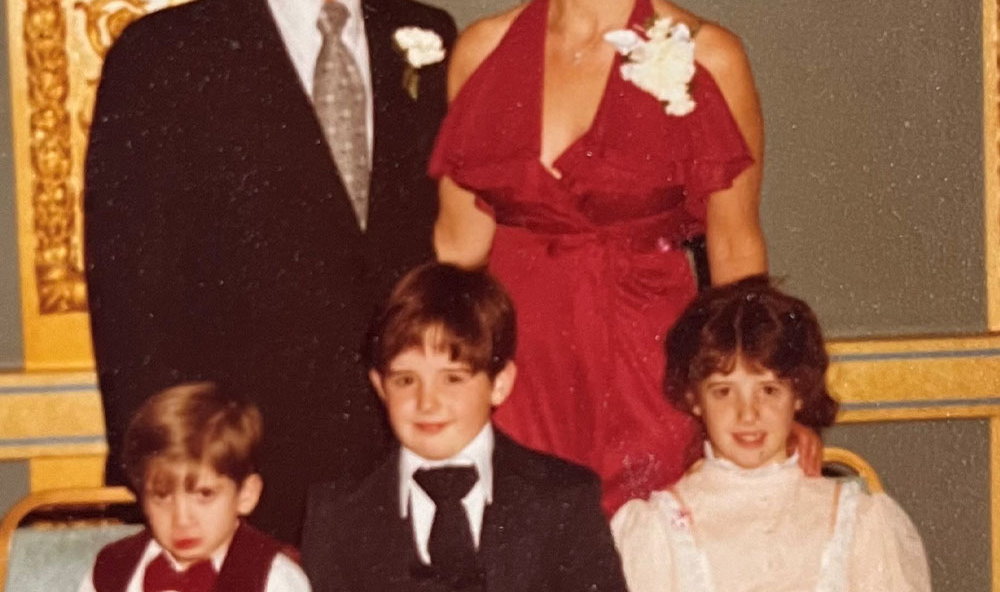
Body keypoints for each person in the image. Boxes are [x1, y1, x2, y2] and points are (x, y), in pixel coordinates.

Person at [84, 0, 456, 543]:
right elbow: (132, 294)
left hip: (408, 459)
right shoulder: (165, 57)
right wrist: (179, 474)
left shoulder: (430, 36)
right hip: (241, 469)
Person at [430, 0, 770, 513]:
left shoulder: (710, 58)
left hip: (654, 368)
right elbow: (456, 256)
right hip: (518, 373)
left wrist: (765, 409)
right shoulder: (481, 54)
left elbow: (737, 259)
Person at [301, 262, 628, 592]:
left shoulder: (564, 500)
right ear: (380, 386)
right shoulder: (337, 513)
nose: (427, 402)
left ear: (499, 384)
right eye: (405, 380)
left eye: (452, 379)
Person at [610, 277, 932, 592]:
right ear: (694, 399)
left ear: (799, 393)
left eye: (768, 390)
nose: (747, 413)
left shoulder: (859, 522)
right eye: (723, 392)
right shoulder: (659, 530)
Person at [78, 382, 310, 592]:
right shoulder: (112, 569)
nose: (182, 520)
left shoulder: (274, 579)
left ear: (246, 495)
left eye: (204, 494)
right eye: (161, 496)